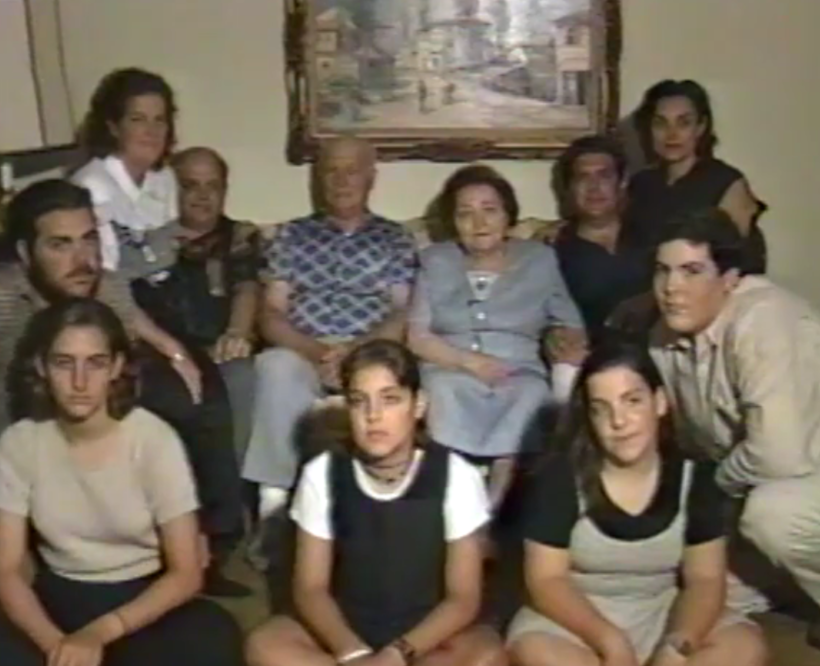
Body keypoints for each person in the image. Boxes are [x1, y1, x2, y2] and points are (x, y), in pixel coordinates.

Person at [0, 180, 243, 589]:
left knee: (128, 582)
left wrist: (177, 353)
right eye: (60, 245)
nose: (82, 260)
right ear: (26, 253)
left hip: (62, 464)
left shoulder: (105, 287)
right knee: (27, 594)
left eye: (89, 240)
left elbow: (128, 328)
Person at [0, 299, 244, 666]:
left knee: (211, 640)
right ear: (42, 367)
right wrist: (57, 647)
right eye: (64, 363)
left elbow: (186, 574)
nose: (79, 382)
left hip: (143, 604)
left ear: (117, 367)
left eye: (96, 363)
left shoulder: (154, 440)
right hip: (57, 598)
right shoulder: (20, 442)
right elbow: (6, 570)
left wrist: (99, 634)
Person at [648, 209, 820, 651]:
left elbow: (779, 455)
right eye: (663, 271)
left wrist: (718, 488)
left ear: (730, 279)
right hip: (785, 467)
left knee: (775, 517)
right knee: (706, 587)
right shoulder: (663, 337)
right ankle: (813, 572)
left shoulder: (764, 320)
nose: (672, 288)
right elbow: (693, 442)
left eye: (692, 271)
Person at [245, 340, 506, 666]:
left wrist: (397, 654)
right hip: (347, 631)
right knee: (266, 645)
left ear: (418, 406)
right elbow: (311, 588)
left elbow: (463, 598)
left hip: (425, 638)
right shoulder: (323, 473)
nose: (373, 416)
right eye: (359, 402)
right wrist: (353, 653)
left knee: (485, 654)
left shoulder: (456, 475)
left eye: (390, 399)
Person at [508, 340, 767, 666]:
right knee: (540, 655)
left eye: (632, 401)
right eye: (602, 408)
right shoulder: (558, 479)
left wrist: (677, 646)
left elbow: (705, 579)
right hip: (576, 622)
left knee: (744, 646)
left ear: (659, 403)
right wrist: (610, 641)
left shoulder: (694, 478)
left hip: (664, 612)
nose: (619, 421)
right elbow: (546, 580)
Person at [242, 137, 418, 528]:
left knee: (386, 374)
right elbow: (271, 313)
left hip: (370, 352)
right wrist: (317, 352)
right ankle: (273, 503)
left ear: (371, 177)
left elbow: (402, 312)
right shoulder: (290, 236)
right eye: (331, 171)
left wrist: (355, 353)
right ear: (318, 179)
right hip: (304, 353)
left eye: (351, 170)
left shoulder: (394, 239)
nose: (341, 180)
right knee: (275, 366)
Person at [408, 164, 586, 512]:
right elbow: (417, 335)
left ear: (508, 216)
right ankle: (459, 502)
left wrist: (561, 340)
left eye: (490, 210)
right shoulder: (434, 260)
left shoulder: (539, 259)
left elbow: (570, 322)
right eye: (465, 214)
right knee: (442, 391)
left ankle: (494, 509)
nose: (479, 223)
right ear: (452, 223)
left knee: (531, 394)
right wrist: (469, 362)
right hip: (449, 366)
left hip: (517, 370)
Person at [131, 146, 261, 462]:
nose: (202, 195)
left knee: (240, 377)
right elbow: (126, 299)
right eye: (190, 185)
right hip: (164, 353)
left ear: (224, 191)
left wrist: (236, 332)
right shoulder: (149, 242)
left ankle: (235, 493)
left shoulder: (240, 236)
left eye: (212, 186)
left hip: (221, 350)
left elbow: (247, 286)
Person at [628, 79, 768, 275]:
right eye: (661, 123)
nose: (671, 134)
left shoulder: (726, 182)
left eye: (683, 123)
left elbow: (738, 264)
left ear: (701, 127)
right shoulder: (641, 184)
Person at [70, 67, 180, 275]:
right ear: (113, 127)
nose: (152, 131)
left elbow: (171, 257)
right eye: (138, 120)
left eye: (159, 120)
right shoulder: (91, 185)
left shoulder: (165, 178)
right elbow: (105, 274)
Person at [551, 136, 653, 341]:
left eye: (604, 176)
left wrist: (651, 300)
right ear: (570, 187)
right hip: (591, 359)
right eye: (583, 177)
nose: (594, 187)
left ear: (622, 181)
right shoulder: (554, 251)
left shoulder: (653, 235)